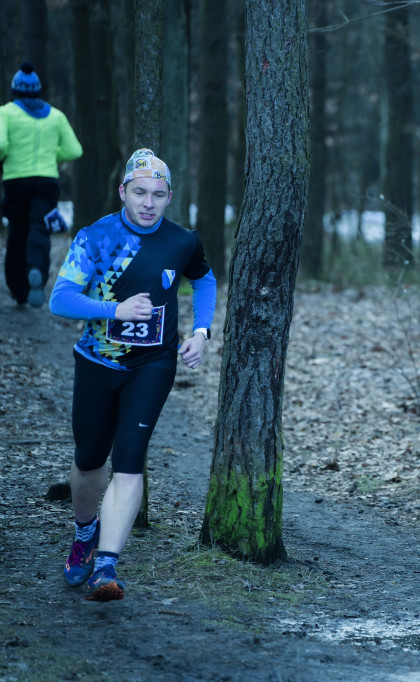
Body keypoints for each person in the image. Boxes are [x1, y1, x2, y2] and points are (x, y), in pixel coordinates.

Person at [51, 148, 217, 601]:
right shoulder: (96, 237)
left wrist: (201, 332)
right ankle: (85, 532)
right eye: (139, 192)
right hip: (97, 363)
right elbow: (60, 299)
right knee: (89, 460)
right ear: (123, 191)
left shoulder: (182, 241)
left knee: (130, 457)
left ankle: (107, 566)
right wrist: (114, 309)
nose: (148, 203)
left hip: (153, 364)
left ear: (168, 197)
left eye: (158, 194)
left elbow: (204, 280)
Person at [0, 62, 82, 307]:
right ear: (38, 90)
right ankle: (37, 269)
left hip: (15, 181)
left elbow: (2, 146)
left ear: (15, 89)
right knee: (40, 228)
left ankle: (18, 289)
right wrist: (49, 155)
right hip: (46, 181)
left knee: (17, 232)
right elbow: (74, 149)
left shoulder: (6, 112)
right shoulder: (56, 116)